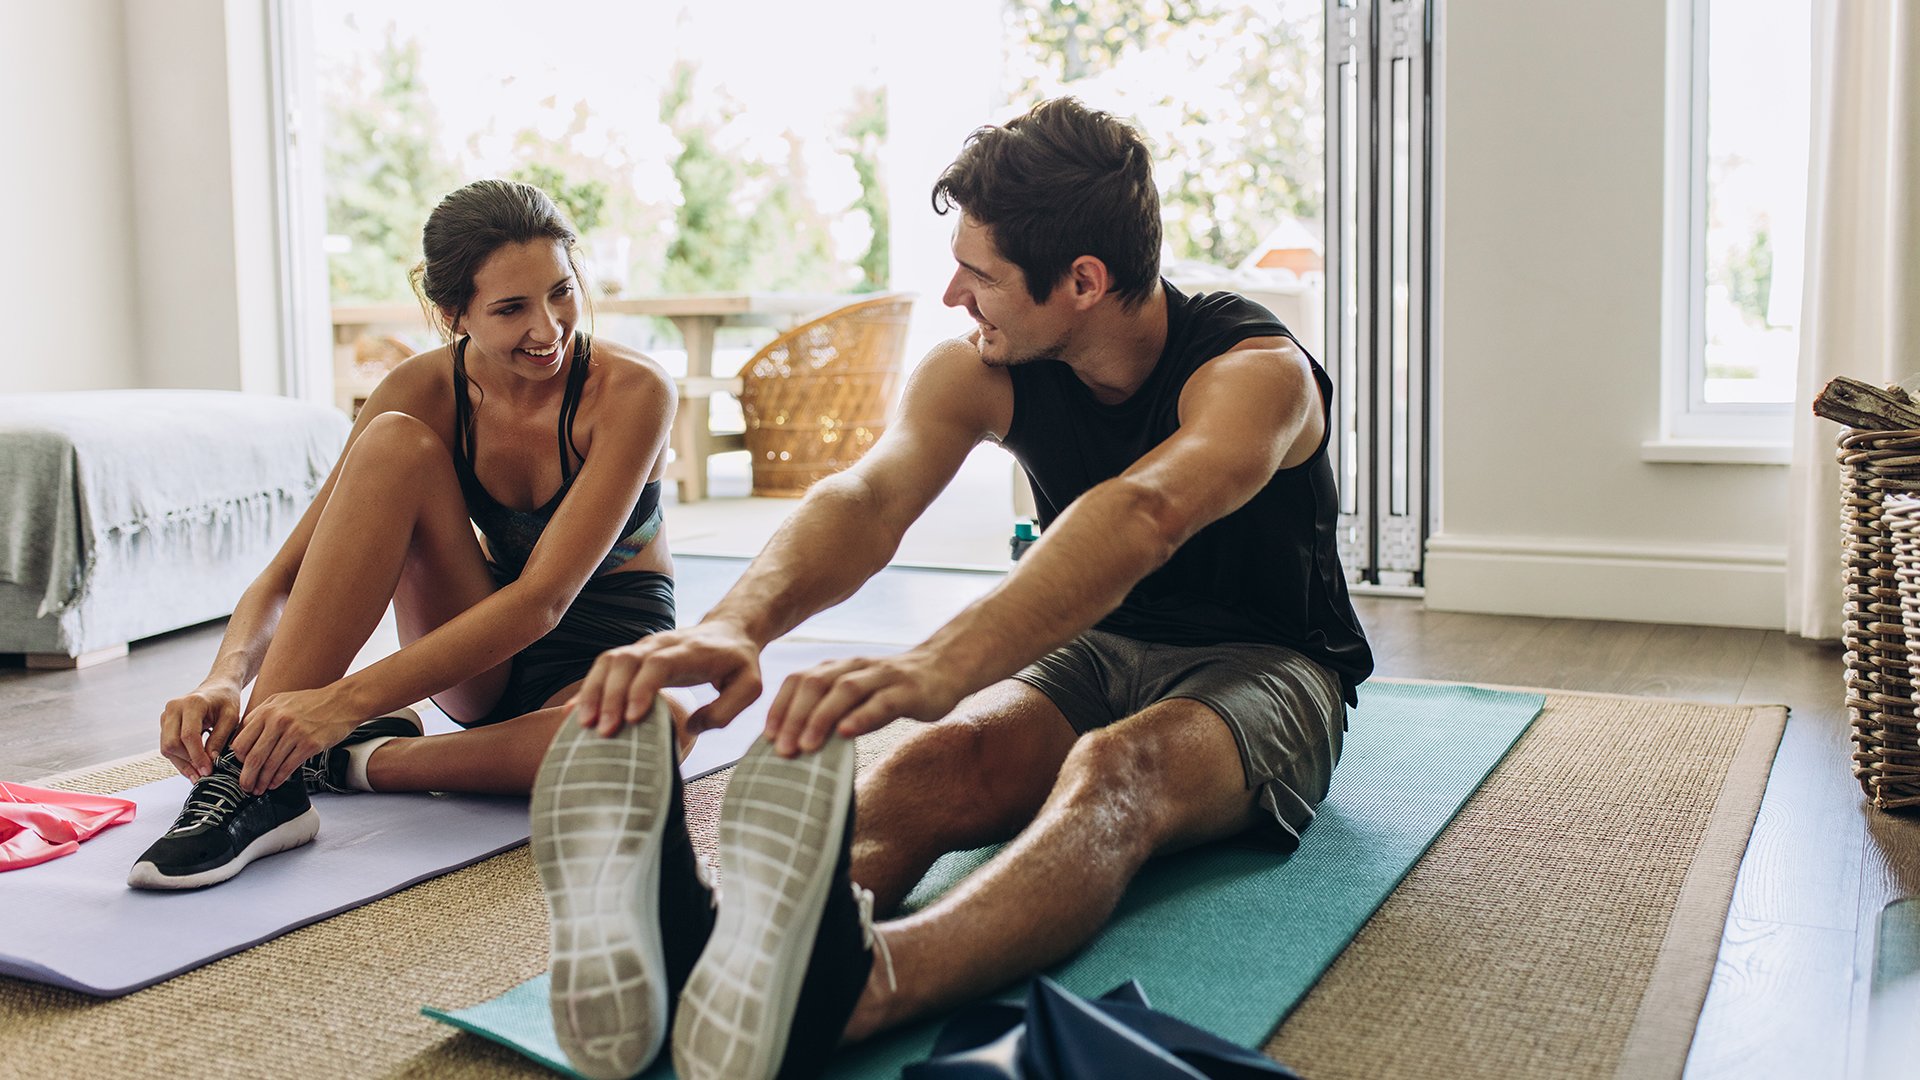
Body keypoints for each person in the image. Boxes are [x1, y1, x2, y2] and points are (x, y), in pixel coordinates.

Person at [529, 97, 1374, 1080]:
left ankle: (859, 989)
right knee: (942, 760)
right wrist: (736, 625)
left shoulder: (1257, 375)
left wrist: (941, 661)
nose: (950, 296)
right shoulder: (985, 365)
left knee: (1116, 775)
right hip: (1100, 643)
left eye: (979, 276)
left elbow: (1148, 513)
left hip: (1270, 667)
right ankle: (714, 949)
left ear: (1083, 283)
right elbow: (871, 496)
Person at [129, 179, 682, 891]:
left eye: (561, 291)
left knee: (647, 738)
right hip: (478, 644)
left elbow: (543, 601)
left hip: (605, 652)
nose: (548, 329)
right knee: (392, 444)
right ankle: (255, 782)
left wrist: (341, 708)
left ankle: (346, 761)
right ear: (453, 314)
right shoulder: (423, 390)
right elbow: (288, 572)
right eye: (511, 308)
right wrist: (225, 677)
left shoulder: (634, 392)